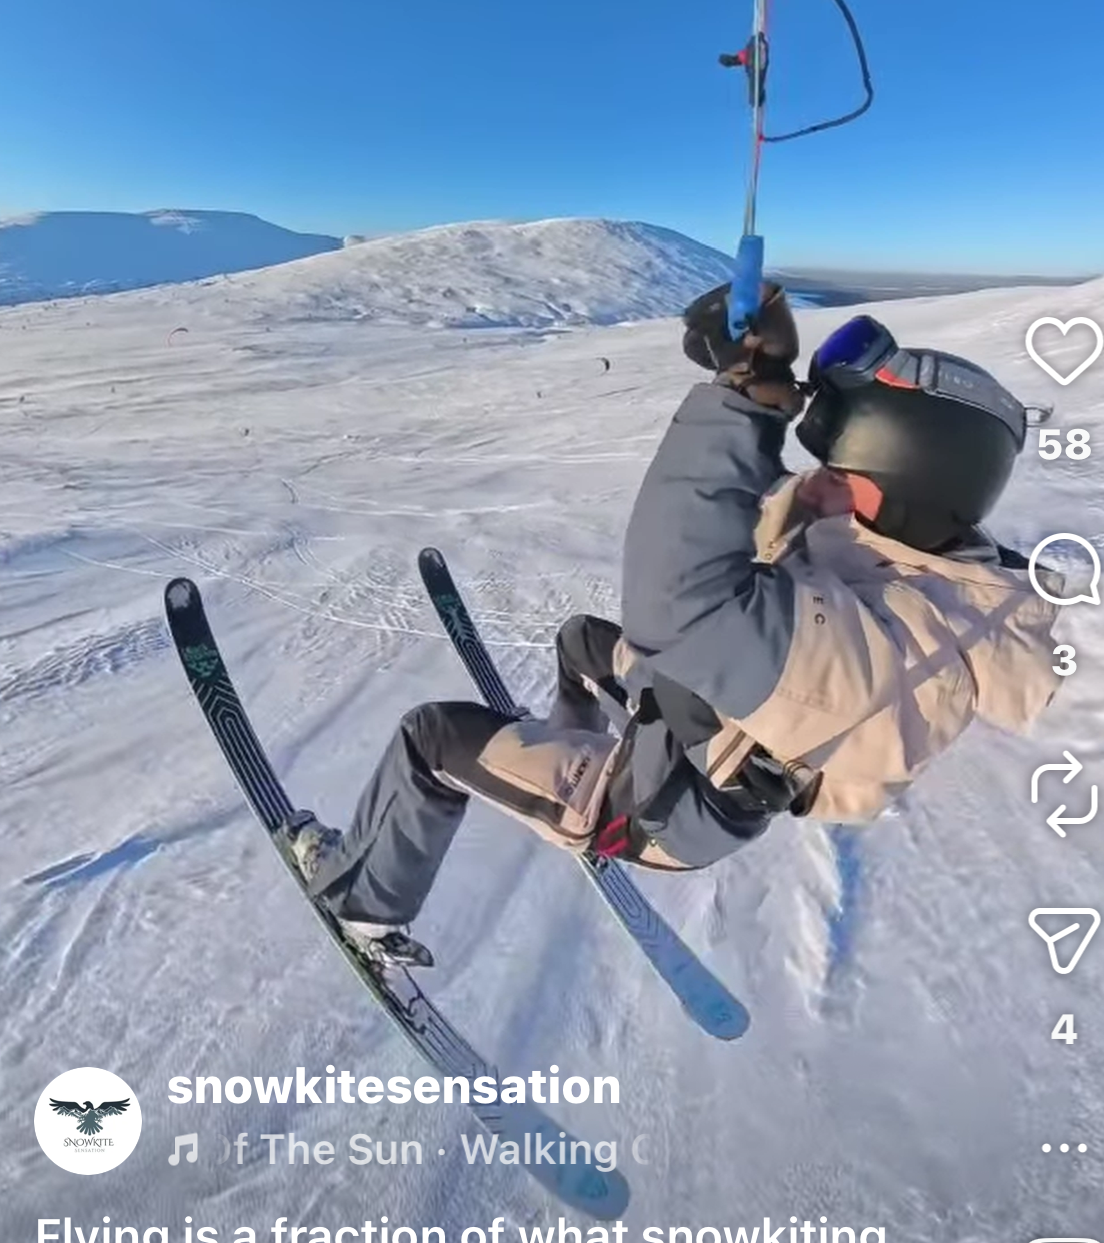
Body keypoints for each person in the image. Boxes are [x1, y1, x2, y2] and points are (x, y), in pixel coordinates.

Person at [285, 282, 1060, 966]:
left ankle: (366, 901)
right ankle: (569, 737)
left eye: (836, 476)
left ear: (907, 493)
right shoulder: (932, 558)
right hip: (690, 722)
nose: (809, 486)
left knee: (431, 735)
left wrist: (743, 407)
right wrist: (765, 389)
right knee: (581, 640)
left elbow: (682, 593)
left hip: (652, 810)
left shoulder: (877, 661)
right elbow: (748, 543)